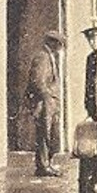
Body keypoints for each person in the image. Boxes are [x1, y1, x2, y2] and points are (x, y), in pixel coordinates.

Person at [25, 30, 66, 176]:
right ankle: (43, 166)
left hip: (51, 101)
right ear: (53, 43)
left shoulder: (49, 56)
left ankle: (46, 164)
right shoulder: (42, 57)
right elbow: (38, 81)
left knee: (51, 133)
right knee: (44, 134)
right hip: (44, 101)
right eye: (60, 44)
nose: (61, 48)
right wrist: (47, 97)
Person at [82, 26, 97, 121]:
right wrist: (87, 104)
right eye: (90, 40)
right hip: (92, 104)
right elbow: (88, 82)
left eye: (94, 39)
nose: (92, 43)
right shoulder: (90, 57)